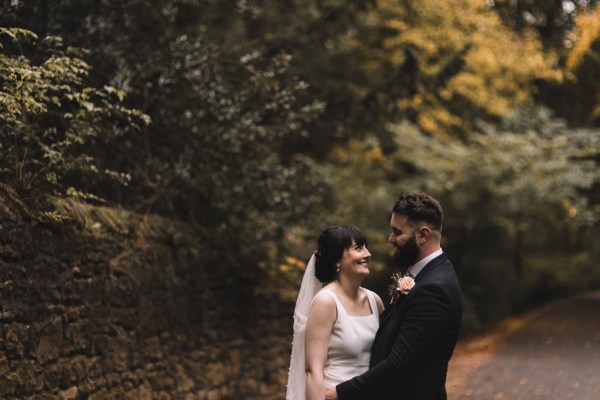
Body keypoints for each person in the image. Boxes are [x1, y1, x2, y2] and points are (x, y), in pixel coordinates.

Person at [326, 193, 462, 400]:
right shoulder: (425, 276)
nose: (391, 239)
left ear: (423, 235)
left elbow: (400, 363)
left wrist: (338, 392)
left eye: (397, 232)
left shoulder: (434, 288)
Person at [286, 226, 384, 400]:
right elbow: (313, 372)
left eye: (366, 247)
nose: (368, 254)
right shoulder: (326, 302)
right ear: (336, 260)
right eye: (358, 248)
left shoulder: (375, 301)